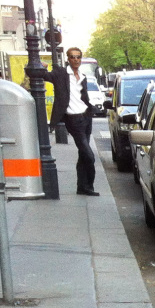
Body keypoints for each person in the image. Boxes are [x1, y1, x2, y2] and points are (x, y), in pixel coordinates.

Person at [46, 46, 99, 196]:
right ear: (68, 59)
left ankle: (83, 188)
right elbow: (43, 76)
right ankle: (88, 185)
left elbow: (83, 96)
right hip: (73, 120)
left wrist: (90, 109)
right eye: (72, 57)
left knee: (83, 154)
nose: (76, 59)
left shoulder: (82, 75)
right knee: (89, 155)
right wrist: (42, 68)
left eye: (78, 57)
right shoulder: (61, 73)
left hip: (86, 117)